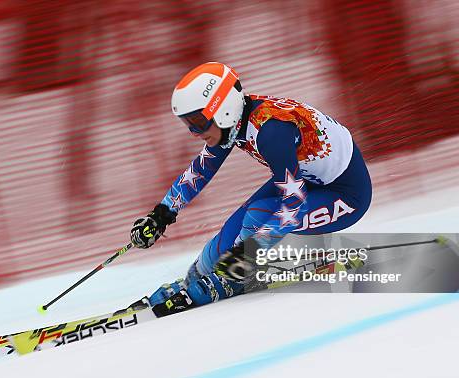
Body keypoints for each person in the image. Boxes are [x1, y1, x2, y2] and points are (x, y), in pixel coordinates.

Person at [130, 62, 372, 317]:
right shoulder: (233, 125)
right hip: (308, 179)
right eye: (187, 123)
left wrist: (249, 253)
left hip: (346, 193)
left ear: (222, 110)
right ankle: (195, 279)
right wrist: (161, 215)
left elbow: (294, 205)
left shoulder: (271, 132)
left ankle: (233, 277)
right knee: (223, 243)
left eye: (198, 122)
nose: (193, 132)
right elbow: (199, 172)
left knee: (257, 216)